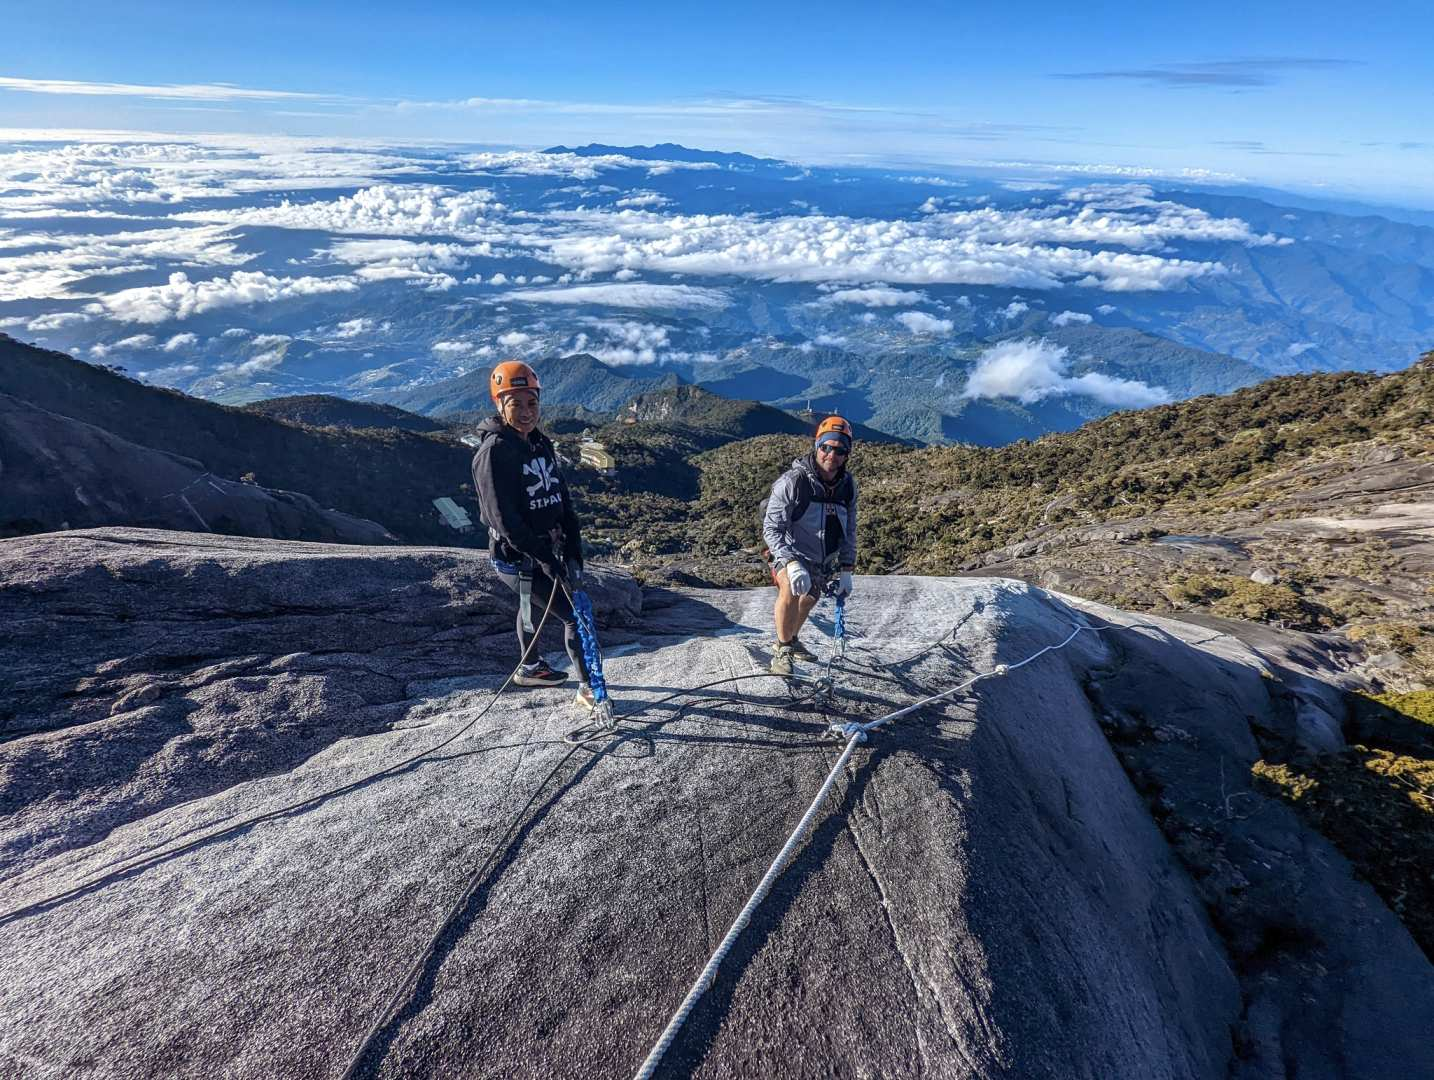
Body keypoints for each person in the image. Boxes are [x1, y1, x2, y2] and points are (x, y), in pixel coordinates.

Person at [470, 359, 595, 710]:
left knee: (532, 608)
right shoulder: (493, 453)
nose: (527, 412)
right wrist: (543, 558)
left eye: (532, 403)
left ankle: (530, 666)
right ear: (499, 404)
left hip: (543, 551)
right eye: (516, 403)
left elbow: (562, 498)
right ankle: (589, 689)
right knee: (574, 616)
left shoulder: (541, 443)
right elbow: (502, 519)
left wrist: (573, 548)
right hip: (517, 557)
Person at [762, 415, 858, 675]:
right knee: (791, 590)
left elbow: (849, 530)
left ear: (847, 454)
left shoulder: (847, 487)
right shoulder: (793, 482)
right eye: (826, 447)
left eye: (839, 450)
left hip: (819, 559)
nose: (831, 454)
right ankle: (782, 650)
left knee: (810, 598)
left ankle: (791, 638)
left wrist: (846, 569)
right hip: (787, 551)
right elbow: (771, 529)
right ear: (817, 446)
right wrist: (791, 563)